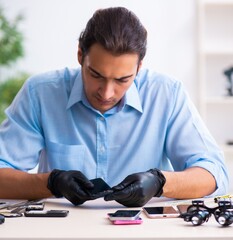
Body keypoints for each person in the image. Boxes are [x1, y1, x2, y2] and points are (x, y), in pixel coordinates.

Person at [0, 7, 229, 207]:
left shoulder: (166, 94)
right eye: (96, 74)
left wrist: (160, 182)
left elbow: (216, 174)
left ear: (139, 68)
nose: (107, 93)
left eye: (122, 80)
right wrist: (50, 183)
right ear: (80, 55)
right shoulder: (40, 93)